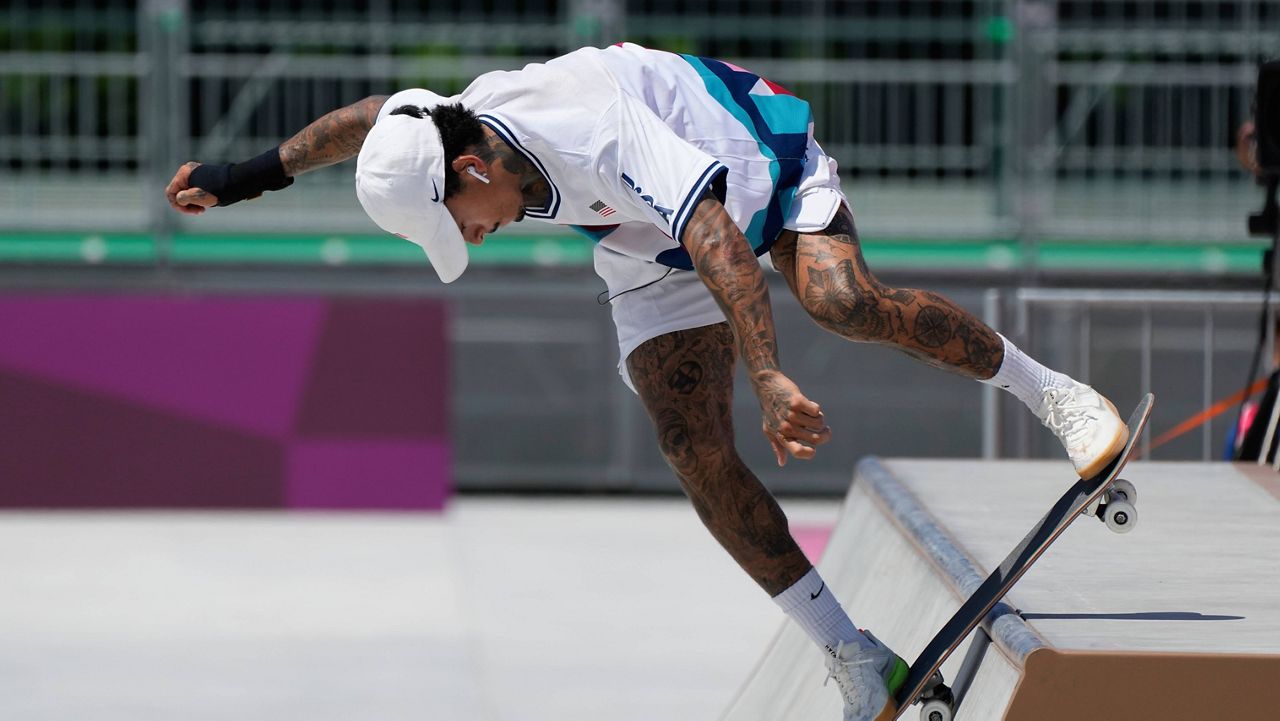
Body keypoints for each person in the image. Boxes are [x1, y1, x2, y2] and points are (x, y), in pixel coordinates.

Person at [165, 43, 1127, 721]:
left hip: (748, 170)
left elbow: (719, 242)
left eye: (456, 219)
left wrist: (767, 373)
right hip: (638, 241)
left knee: (839, 298)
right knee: (689, 445)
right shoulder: (436, 124)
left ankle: (1054, 394)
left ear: (471, 165)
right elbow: (366, 121)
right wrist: (242, 174)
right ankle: (856, 659)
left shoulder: (592, 134)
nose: (467, 237)